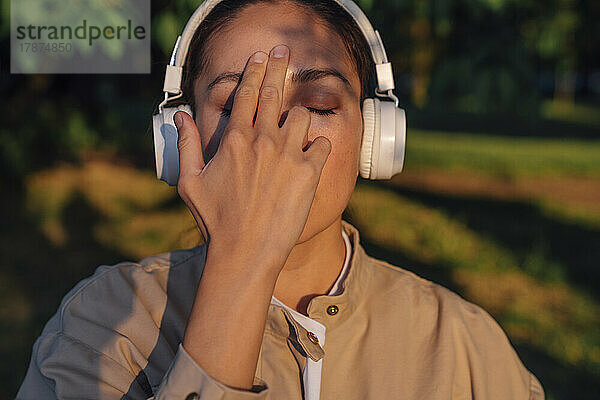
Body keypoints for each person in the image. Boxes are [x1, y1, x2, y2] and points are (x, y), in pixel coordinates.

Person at [17, 0, 545, 399]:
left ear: (374, 137)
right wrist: (244, 255)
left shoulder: (463, 346)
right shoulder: (106, 323)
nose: (275, 137)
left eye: (318, 102)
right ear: (180, 141)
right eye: (237, 104)